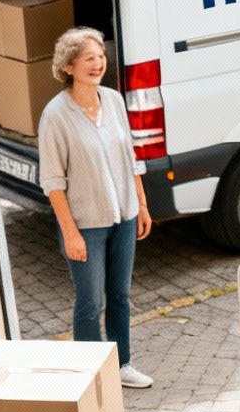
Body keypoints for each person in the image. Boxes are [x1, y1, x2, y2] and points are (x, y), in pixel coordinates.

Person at [38, 27, 154, 389]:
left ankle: (122, 365)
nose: (98, 63)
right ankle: (90, 376)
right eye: (89, 58)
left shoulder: (114, 100)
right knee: (91, 302)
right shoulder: (56, 115)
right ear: (69, 66)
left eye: (101, 56)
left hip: (124, 214)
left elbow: (131, 156)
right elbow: (53, 183)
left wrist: (142, 205)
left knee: (120, 296)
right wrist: (70, 233)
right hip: (86, 224)